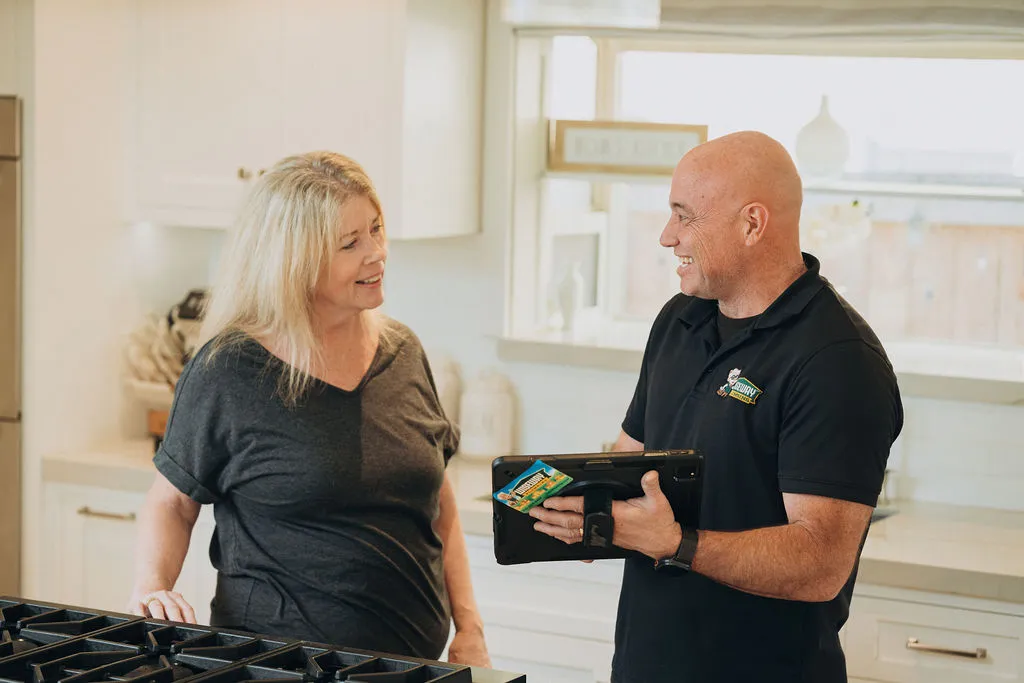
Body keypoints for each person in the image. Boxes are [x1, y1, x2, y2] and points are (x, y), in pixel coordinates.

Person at [530, 131, 903, 682]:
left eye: (685, 217)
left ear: (752, 224)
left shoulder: (837, 360)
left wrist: (675, 544)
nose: (666, 236)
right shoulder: (679, 319)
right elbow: (629, 461)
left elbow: (820, 563)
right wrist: (585, 512)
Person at [127, 151, 490, 668]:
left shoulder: (404, 353)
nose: (377, 253)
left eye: (376, 229)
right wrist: (151, 587)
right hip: (273, 664)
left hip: (413, 667)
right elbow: (171, 503)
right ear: (294, 261)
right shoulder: (229, 369)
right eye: (350, 243)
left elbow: (438, 503)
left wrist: (469, 627)